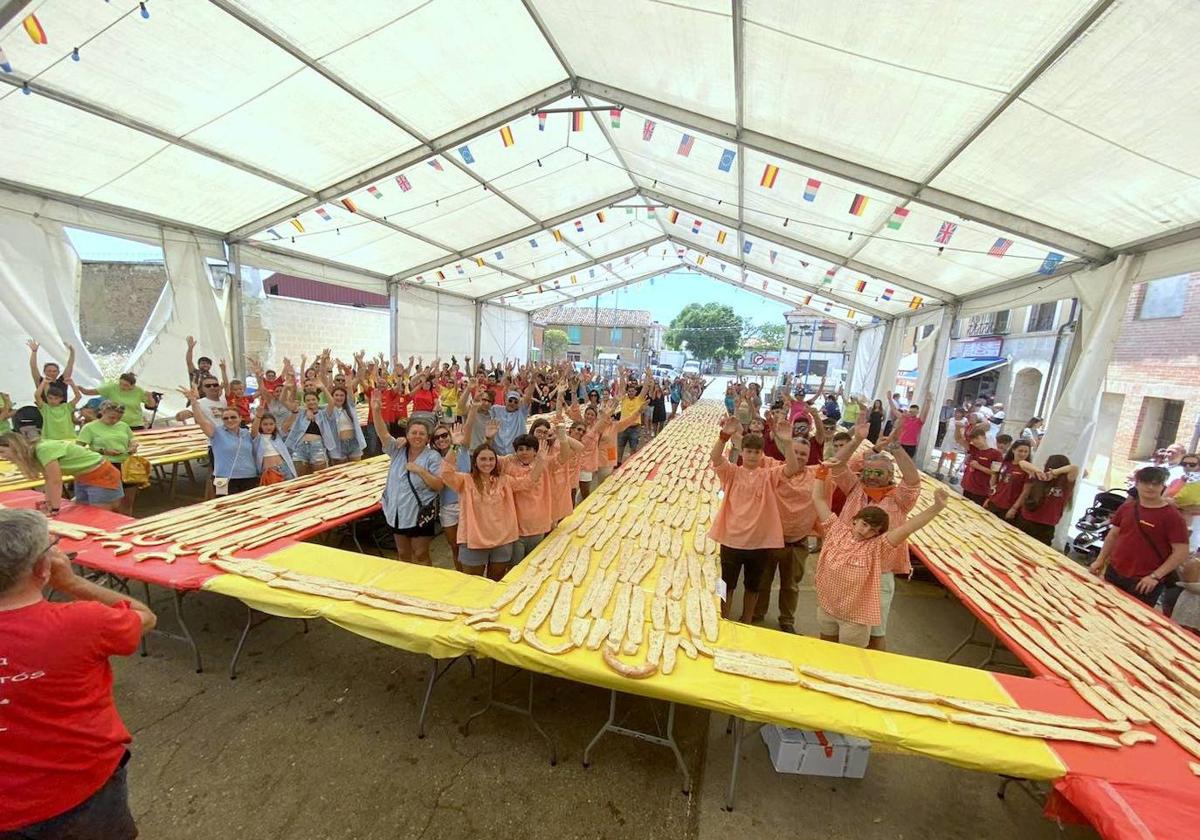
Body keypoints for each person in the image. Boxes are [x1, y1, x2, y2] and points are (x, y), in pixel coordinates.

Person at [0, 508, 155, 840]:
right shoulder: (82, 623)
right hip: (82, 789)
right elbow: (144, 615)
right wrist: (71, 582)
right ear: (43, 567)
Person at [811, 478, 948, 647]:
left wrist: (936, 508)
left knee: (850, 659)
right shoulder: (836, 529)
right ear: (855, 520)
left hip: (855, 618)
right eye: (864, 524)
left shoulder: (877, 547)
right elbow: (818, 498)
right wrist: (821, 472)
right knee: (826, 647)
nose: (866, 531)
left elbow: (909, 527)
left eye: (873, 530)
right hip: (827, 607)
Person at [828, 415, 923, 650]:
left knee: (874, 632)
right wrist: (856, 440)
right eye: (868, 471)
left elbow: (912, 480)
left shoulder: (900, 499)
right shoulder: (855, 488)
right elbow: (836, 466)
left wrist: (897, 449)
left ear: (890, 476)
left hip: (878, 574)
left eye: (878, 473)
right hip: (844, 567)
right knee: (834, 624)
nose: (871, 476)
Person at [708, 415, 802, 624]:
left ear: (762, 454)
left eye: (756, 452)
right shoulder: (731, 473)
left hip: (759, 543)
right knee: (725, 582)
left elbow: (792, 468)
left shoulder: (768, 475)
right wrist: (723, 437)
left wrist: (788, 442)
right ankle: (722, 614)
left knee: (753, 585)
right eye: (748, 451)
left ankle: (747, 618)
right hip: (731, 539)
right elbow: (715, 458)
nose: (751, 455)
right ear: (741, 453)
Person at [440, 425, 549, 579]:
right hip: (474, 541)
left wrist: (540, 462)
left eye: (491, 459)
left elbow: (528, 482)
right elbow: (445, 473)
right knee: (472, 584)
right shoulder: (466, 480)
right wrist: (455, 446)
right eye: (483, 459)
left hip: (502, 541)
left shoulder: (504, 480)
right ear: (475, 462)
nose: (487, 463)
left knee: (496, 582)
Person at [1089, 466, 1189, 607]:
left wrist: (1155, 576)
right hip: (1115, 572)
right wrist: (1100, 560)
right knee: (1103, 609)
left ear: (1163, 487)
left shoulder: (1172, 516)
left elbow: (1181, 552)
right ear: (1136, 484)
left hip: (1144, 580)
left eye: (1156, 484)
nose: (1150, 487)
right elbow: (1113, 535)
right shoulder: (1127, 508)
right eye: (1145, 482)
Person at [751, 424, 818, 633]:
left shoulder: (816, 475)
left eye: (803, 454)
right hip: (771, 539)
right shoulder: (774, 469)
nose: (799, 456)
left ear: (809, 457)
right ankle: (757, 613)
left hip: (797, 543)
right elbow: (750, 455)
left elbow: (842, 463)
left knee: (791, 585)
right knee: (763, 580)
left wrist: (856, 441)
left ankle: (787, 620)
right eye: (795, 452)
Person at [372, 393, 443, 565]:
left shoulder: (432, 457)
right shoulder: (398, 449)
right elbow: (383, 434)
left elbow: (438, 485)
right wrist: (376, 412)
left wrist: (420, 471)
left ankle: (425, 587)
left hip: (418, 513)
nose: (417, 436)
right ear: (407, 434)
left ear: (427, 438)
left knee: (420, 554)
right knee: (403, 553)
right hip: (397, 511)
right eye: (414, 433)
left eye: (422, 434)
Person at [0, 427, 125, 513]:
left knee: (100, 517)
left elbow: (55, 481)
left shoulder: (43, 449)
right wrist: (48, 503)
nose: (2, 456)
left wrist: (54, 508)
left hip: (102, 475)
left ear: (14, 446)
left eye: (2, 452)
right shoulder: (34, 453)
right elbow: (48, 479)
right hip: (83, 477)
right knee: (86, 512)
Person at [179, 387, 259, 495]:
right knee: (224, 506)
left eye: (233, 417)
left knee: (250, 505)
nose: (230, 420)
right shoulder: (216, 433)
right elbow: (201, 421)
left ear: (240, 418)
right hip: (222, 478)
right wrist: (194, 402)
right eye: (226, 418)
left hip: (249, 476)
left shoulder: (246, 433)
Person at [77, 400, 141, 515]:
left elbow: (132, 438)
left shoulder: (123, 426)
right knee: (111, 502)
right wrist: (103, 451)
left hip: (125, 465)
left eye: (118, 418)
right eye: (111, 417)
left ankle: (126, 523)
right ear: (103, 412)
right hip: (105, 466)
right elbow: (78, 449)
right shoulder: (89, 428)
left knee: (128, 501)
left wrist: (133, 445)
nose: (115, 421)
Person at [1015, 454, 1078, 545]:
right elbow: (1022, 463)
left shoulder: (1066, 481)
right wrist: (1038, 471)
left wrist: (1054, 472)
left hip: (1045, 526)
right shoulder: (1040, 476)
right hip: (1026, 520)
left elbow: (1074, 468)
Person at [429, 422, 464, 570]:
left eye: (444, 435)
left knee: (469, 545)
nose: (441, 439)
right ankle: (461, 574)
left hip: (465, 504)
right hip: (447, 507)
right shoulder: (433, 459)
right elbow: (442, 476)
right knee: (454, 546)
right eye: (437, 437)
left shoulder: (463, 451)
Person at [78, 373, 157, 431]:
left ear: (133, 386)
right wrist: (78, 387)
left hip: (135, 424)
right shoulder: (112, 388)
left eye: (125, 385)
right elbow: (89, 392)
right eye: (120, 384)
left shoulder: (138, 391)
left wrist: (149, 396)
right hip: (115, 423)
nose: (122, 387)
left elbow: (151, 405)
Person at [984, 439, 1032, 522]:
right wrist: (989, 498)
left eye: (1026, 451)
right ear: (1013, 450)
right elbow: (997, 483)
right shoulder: (1005, 463)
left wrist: (1014, 508)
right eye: (1020, 451)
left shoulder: (1028, 470)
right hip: (994, 502)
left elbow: (1025, 492)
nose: (1023, 454)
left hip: (1008, 507)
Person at [318, 385, 365, 465]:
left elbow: (351, 386)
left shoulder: (350, 407)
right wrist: (323, 388)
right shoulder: (328, 410)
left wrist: (348, 376)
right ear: (332, 396)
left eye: (342, 395)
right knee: (341, 470)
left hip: (354, 443)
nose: (339, 398)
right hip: (338, 445)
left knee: (356, 468)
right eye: (336, 395)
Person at [253, 402, 298, 486]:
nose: (268, 427)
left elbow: (287, 425)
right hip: (270, 470)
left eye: (271, 424)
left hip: (284, 467)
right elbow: (254, 430)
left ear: (275, 425)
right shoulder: (258, 438)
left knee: (291, 489)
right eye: (265, 424)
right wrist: (258, 416)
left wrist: (294, 412)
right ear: (260, 425)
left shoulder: (277, 435)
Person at [960, 426, 1002, 505]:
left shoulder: (996, 454)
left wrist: (979, 467)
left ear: (984, 437)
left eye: (977, 438)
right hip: (967, 488)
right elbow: (959, 439)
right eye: (973, 440)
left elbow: (995, 473)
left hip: (981, 491)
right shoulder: (974, 450)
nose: (975, 441)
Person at [889, 391, 930, 459]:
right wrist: (890, 399)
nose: (912, 413)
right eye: (911, 412)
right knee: (897, 460)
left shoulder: (919, 421)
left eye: (914, 412)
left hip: (911, 446)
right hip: (901, 444)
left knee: (907, 463)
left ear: (917, 412)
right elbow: (894, 410)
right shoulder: (905, 418)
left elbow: (925, 412)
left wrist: (928, 402)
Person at [934, 407, 968, 483]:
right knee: (943, 455)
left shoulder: (964, 421)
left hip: (956, 440)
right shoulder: (951, 419)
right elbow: (947, 428)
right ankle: (938, 469)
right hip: (948, 439)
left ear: (962, 414)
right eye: (956, 412)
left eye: (959, 412)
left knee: (954, 456)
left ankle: (950, 471)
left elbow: (964, 431)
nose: (957, 414)